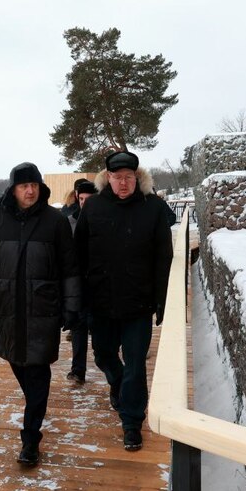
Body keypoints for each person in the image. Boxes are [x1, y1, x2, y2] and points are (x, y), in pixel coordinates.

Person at [0, 163, 81, 467]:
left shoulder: (54, 221)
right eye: (24, 186)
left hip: (43, 308)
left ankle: (30, 438)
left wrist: (71, 305)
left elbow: (69, 265)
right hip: (7, 308)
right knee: (18, 363)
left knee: (37, 371)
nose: (30, 191)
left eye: (34, 184)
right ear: (13, 189)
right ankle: (34, 411)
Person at [73, 150, 174, 451]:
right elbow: (78, 256)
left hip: (138, 304)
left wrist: (161, 301)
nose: (123, 183)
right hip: (101, 302)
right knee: (103, 356)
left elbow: (164, 257)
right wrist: (78, 299)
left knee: (135, 366)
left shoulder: (153, 207)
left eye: (129, 177)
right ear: (108, 179)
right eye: (117, 178)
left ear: (138, 178)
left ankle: (131, 422)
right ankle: (116, 383)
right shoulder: (93, 208)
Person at [65, 179, 97, 384]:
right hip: (78, 284)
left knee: (102, 335)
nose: (84, 203)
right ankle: (78, 371)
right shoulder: (69, 221)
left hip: (99, 284)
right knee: (78, 328)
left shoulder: (103, 219)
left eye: (89, 199)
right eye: (81, 199)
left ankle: (111, 370)